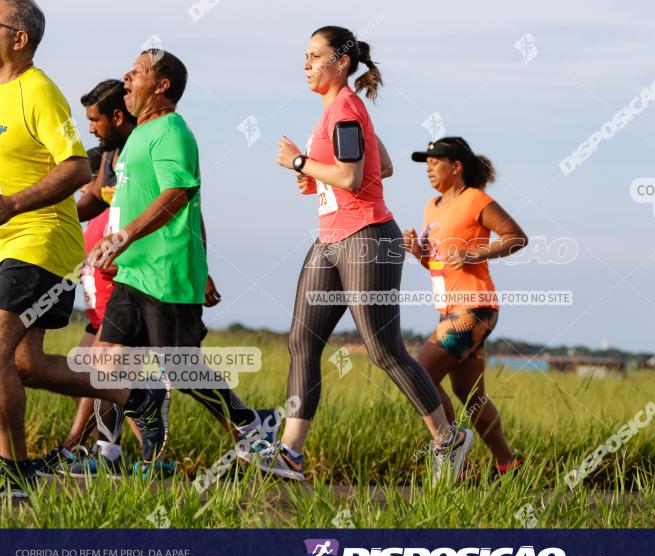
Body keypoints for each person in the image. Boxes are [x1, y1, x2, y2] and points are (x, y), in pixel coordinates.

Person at [256, 25, 473, 481]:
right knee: (302, 341)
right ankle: (290, 454)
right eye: (305, 56)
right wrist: (315, 176)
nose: (306, 63)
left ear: (342, 62)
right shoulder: (336, 111)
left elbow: (354, 179)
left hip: (368, 237)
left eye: (315, 55)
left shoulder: (346, 110)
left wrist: (299, 162)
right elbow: (384, 166)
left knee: (382, 349)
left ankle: (447, 437)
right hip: (332, 238)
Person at [0, 0, 166, 496]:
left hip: (41, 241)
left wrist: (13, 203)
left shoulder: (39, 91)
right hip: (10, 242)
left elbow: (75, 168)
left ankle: (12, 473)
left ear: (19, 38)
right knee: (26, 365)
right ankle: (135, 393)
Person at [86, 50, 271, 467]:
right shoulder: (137, 136)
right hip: (134, 272)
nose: (127, 76)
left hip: (166, 272)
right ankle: (111, 451)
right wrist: (119, 247)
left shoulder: (172, 130)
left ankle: (252, 428)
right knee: (106, 361)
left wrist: (124, 236)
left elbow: (178, 196)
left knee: (182, 370)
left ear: (162, 85)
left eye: (138, 71)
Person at [403, 137, 526, 477]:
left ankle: (453, 450)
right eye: (425, 162)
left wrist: (475, 253)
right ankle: (508, 466)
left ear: (456, 167)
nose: (428, 167)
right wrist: (419, 254)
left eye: (434, 161)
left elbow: (516, 236)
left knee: (419, 375)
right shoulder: (432, 206)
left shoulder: (475, 199)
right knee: (469, 395)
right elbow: (439, 264)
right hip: (450, 308)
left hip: (475, 306)